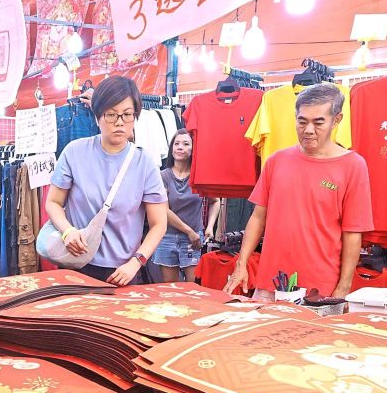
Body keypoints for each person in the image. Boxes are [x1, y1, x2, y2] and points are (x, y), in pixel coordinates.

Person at [227, 83, 373, 300]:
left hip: (320, 288)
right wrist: (241, 264)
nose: (308, 130)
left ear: (337, 120)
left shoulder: (353, 165)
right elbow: (258, 217)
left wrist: (344, 287)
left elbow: (352, 232)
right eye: (302, 121)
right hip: (271, 281)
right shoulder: (277, 160)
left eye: (318, 122)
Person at [45, 76, 168, 285]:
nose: (119, 122)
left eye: (127, 115)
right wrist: (67, 231)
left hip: (123, 272)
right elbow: (53, 202)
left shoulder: (144, 162)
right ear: (97, 117)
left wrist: (137, 261)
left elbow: (159, 223)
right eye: (111, 115)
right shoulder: (74, 152)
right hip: (75, 265)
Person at [152, 129, 203, 283]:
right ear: (171, 148)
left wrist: (209, 227)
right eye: (176, 144)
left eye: (186, 144)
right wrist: (189, 231)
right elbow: (163, 210)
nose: (180, 147)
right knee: (170, 289)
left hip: (193, 238)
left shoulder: (198, 176)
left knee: (193, 288)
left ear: (193, 149)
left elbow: (215, 201)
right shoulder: (162, 176)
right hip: (168, 235)